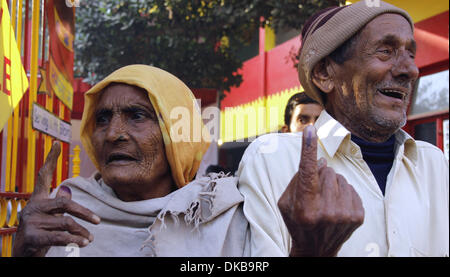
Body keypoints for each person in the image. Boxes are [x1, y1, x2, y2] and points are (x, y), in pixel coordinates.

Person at [237, 0, 448, 257]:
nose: (410, 69)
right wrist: (308, 251)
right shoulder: (272, 159)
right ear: (325, 74)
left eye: (411, 54)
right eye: (385, 51)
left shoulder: (434, 163)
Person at [13, 65, 250, 257]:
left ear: (179, 133)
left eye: (137, 116)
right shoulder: (63, 209)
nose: (112, 134)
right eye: (102, 119)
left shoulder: (225, 215)